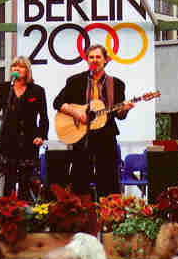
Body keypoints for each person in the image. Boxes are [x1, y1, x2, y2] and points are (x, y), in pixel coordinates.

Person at [53, 44, 134, 198]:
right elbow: (57, 103)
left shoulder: (116, 84)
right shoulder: (75, 81)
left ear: (105, 60)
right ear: (87, 60)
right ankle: (81, 217)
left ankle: (109, 216)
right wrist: (76, 112)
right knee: (79, 179)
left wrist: (125, 109)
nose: (94, 60)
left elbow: (119, 115)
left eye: (98, 57)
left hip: (106, 136)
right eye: (91, 57)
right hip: (82, 137)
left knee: (108, 180)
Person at [0, 56, 49, 201]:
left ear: (27, 71)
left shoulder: (37, 91)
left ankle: (24, 215)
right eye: (14, 66)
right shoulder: (3, 88)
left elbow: (44, 117)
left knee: (25, 183)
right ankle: (7, 215)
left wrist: (41, 135)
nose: (16, 69)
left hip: (29, 141)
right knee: (9, 181)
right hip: (8, 141)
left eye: (20, 67)